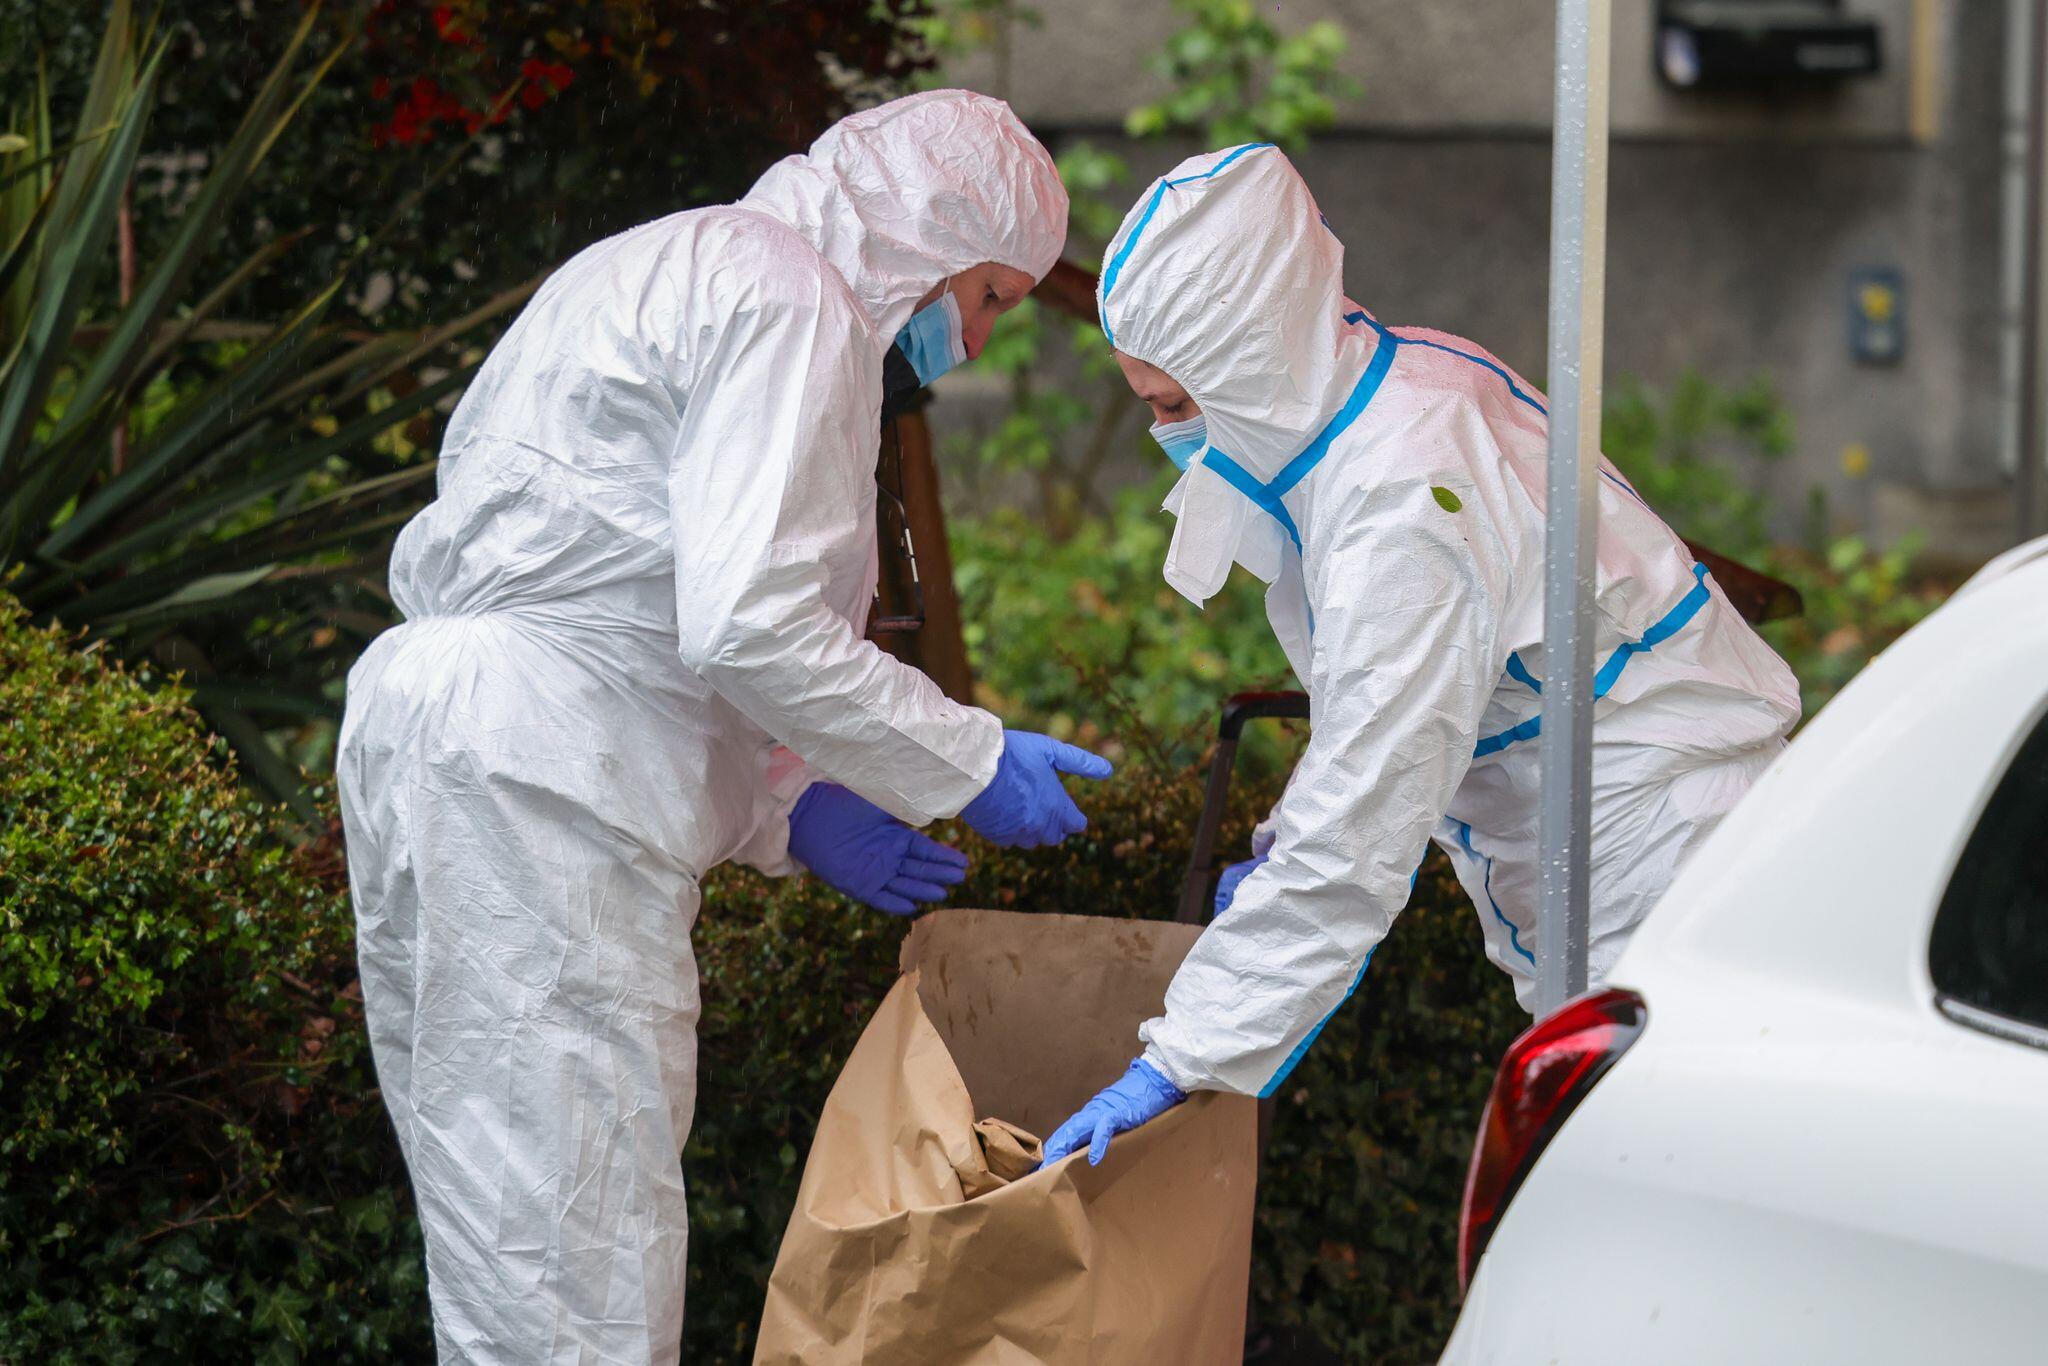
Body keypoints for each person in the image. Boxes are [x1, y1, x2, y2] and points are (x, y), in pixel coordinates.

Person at [338, 90, 1110, 1363]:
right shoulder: (795, 298)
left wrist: (787, 802)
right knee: (576, 1251)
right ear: (929, 229)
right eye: (986, 297)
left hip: (449, 739)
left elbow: (623, 589)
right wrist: (966, 759)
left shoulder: (659, 263)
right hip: (547, 782)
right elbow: (746, 623)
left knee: (501, 1226)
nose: (972, 341)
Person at [1041, 144, 1799, 1168]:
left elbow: (1364, 812)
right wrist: (1281, 841)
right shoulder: (1394, 390)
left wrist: (1182, 1056)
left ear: (1252, 367)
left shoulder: (1403, 502)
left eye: (1176, 406)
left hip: (1654, 879)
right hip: (1641, 854)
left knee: (1689, 1189)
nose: (1167, 436)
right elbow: (1386, 703)